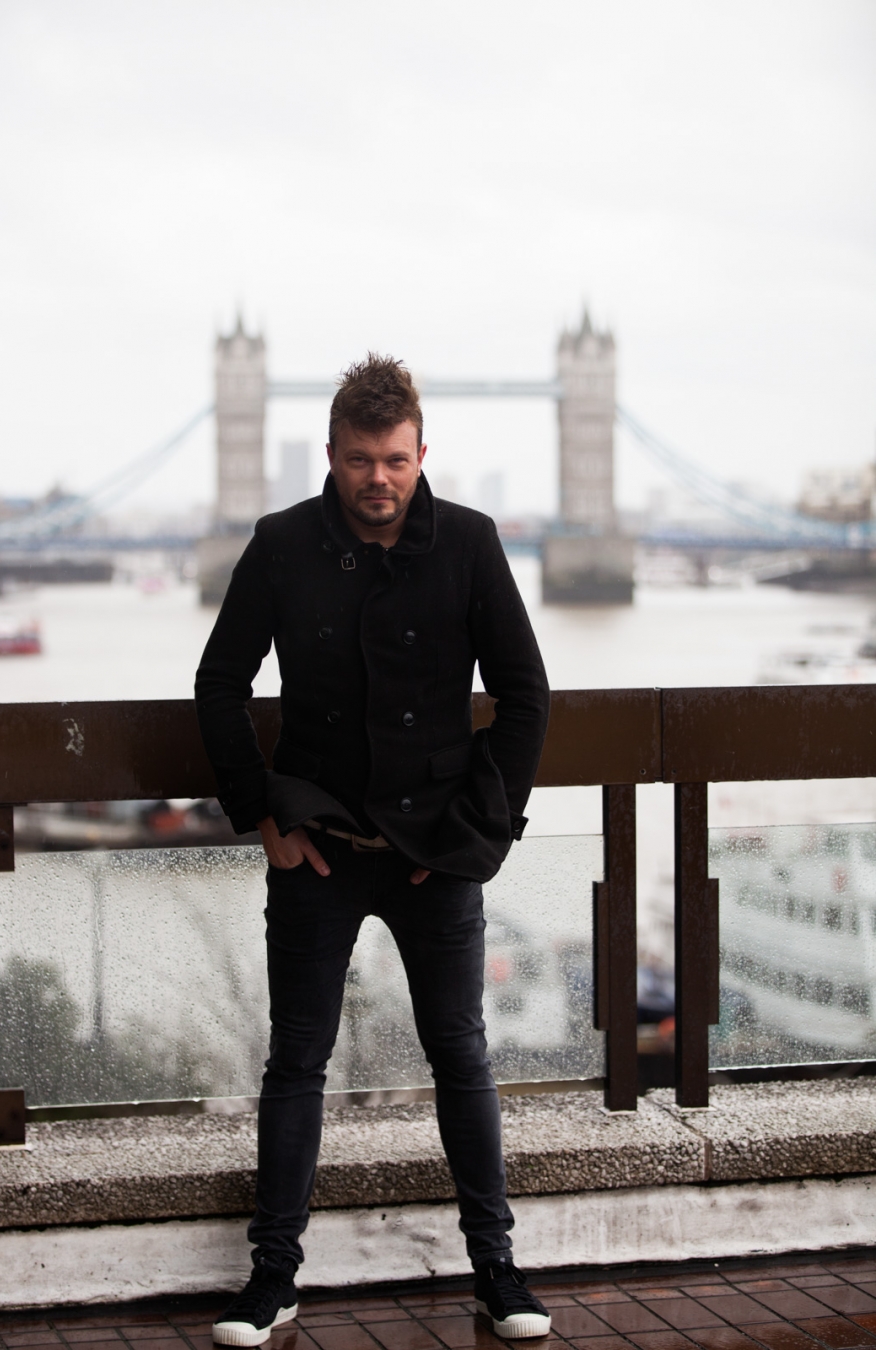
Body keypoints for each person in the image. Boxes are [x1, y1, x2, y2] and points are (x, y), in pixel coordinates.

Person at [195, 354, 551, 1345]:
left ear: (422, 453)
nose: (379, 479)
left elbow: (526, 695)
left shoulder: (470, 543)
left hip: (438, 850)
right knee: (296, 1062)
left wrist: (476, 835)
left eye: (395, 460)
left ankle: (497, 1271)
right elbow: (219, 685)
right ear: (331, 455)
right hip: (319, 846)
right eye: (360, 460)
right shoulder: (280, 544)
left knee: (461, 1056)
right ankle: (272, 1279)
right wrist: (261, 815)